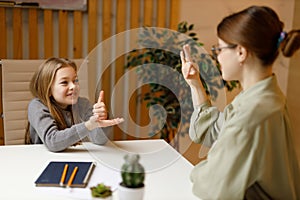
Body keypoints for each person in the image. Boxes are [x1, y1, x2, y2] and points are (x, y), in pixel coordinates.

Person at [180, 5, 300, 199]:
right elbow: (212, 131)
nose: (217, 56)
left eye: (219, 48)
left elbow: (214, 186)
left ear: (241, 52)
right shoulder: (263, 98)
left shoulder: (254, 113)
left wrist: (206, 169)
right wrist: (195, 85)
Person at [25, 57, 124, 152]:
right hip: (41, 161)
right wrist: (88, 125)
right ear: (48, 89)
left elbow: (98, 140)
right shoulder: (37, 106)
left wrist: (101, 121)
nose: (73, 86)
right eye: (64, 82)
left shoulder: (83, 104)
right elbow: (52, 141)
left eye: (75, 80)